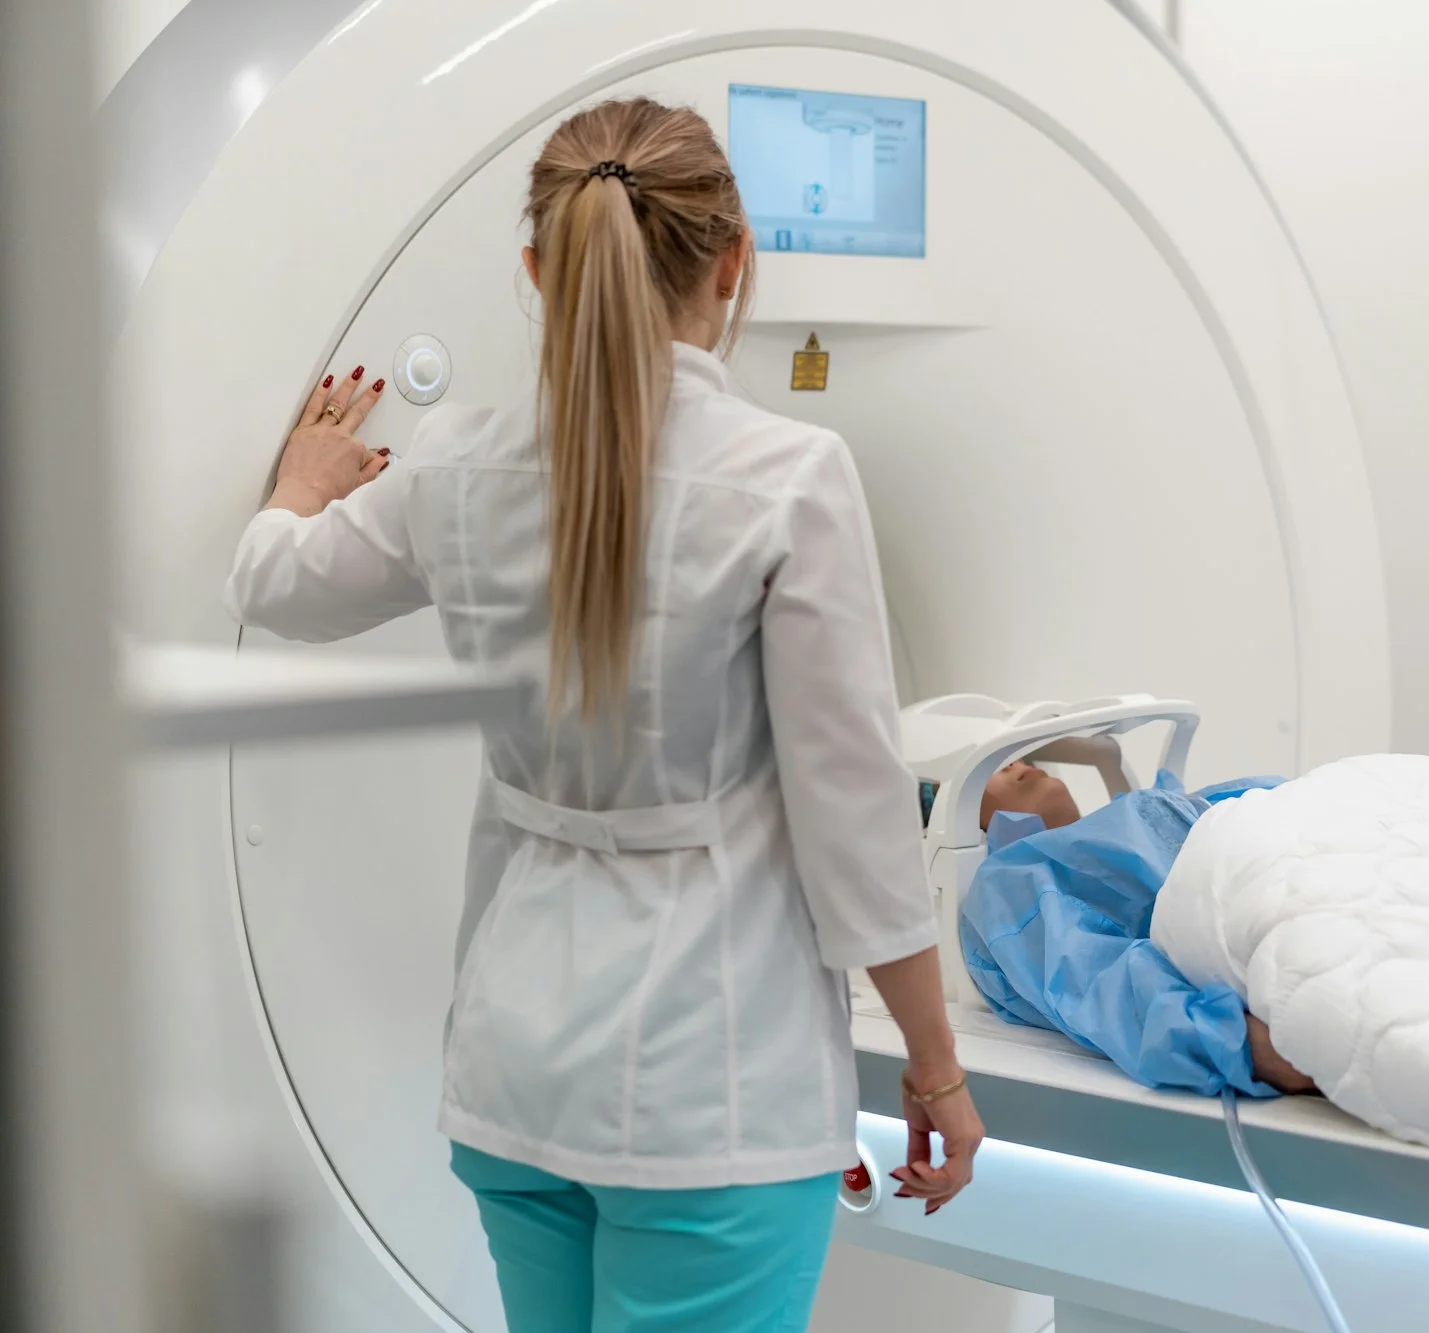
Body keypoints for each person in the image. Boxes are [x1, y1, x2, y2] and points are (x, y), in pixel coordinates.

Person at [224, 98, 981, 1333]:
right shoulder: (787, 479)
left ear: (539, 267)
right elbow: (854, 826)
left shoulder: (453, 466)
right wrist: (934, 1069)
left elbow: (273, 589)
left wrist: (292, 494)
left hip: (517, 1075)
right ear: (732, 263)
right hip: (712, 1092)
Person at [966, 764, 1315, 1095]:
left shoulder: (1142, 812)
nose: (1015, 763)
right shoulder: (1011, 886)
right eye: (994, 765)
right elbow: (1103, 987)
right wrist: (1252, 1047)